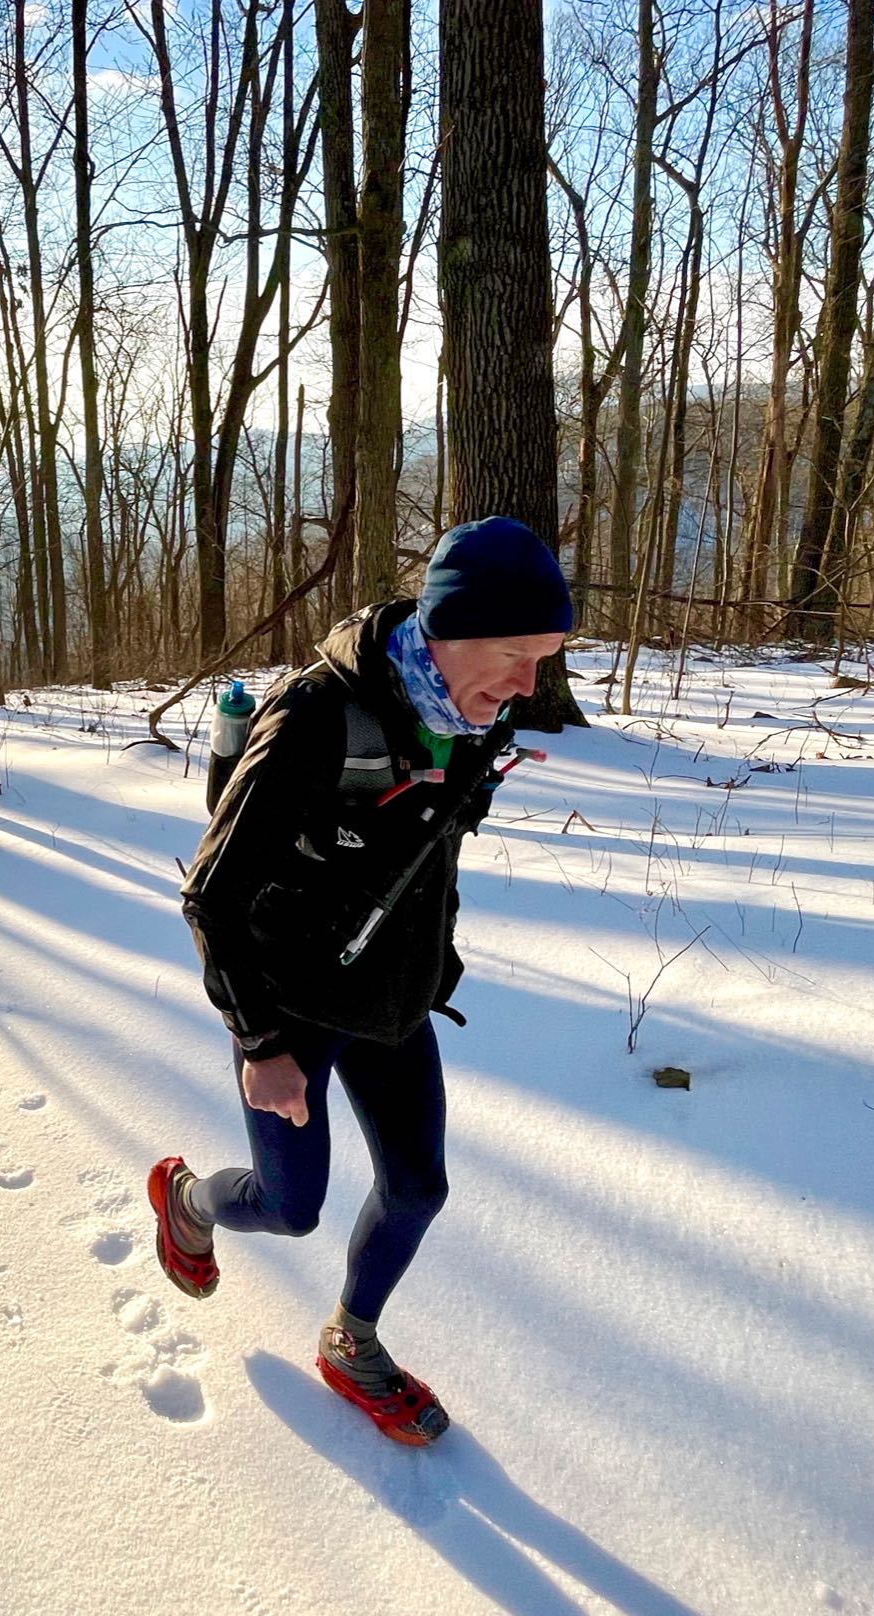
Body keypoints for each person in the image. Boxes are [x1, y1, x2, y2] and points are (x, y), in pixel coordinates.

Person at [153, 517, 571, 1445]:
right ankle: (187, 1200)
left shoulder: (472, 714)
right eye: (513, 655)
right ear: (446, 629)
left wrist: (430, 964)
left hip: (392, 998)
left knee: (419, 1191)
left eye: (542, 659)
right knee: (289, 1208)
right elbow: (211, 899)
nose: (526, 686)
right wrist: (260, 1044)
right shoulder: (313, 720)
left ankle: (353, 1341)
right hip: (289, 1006)